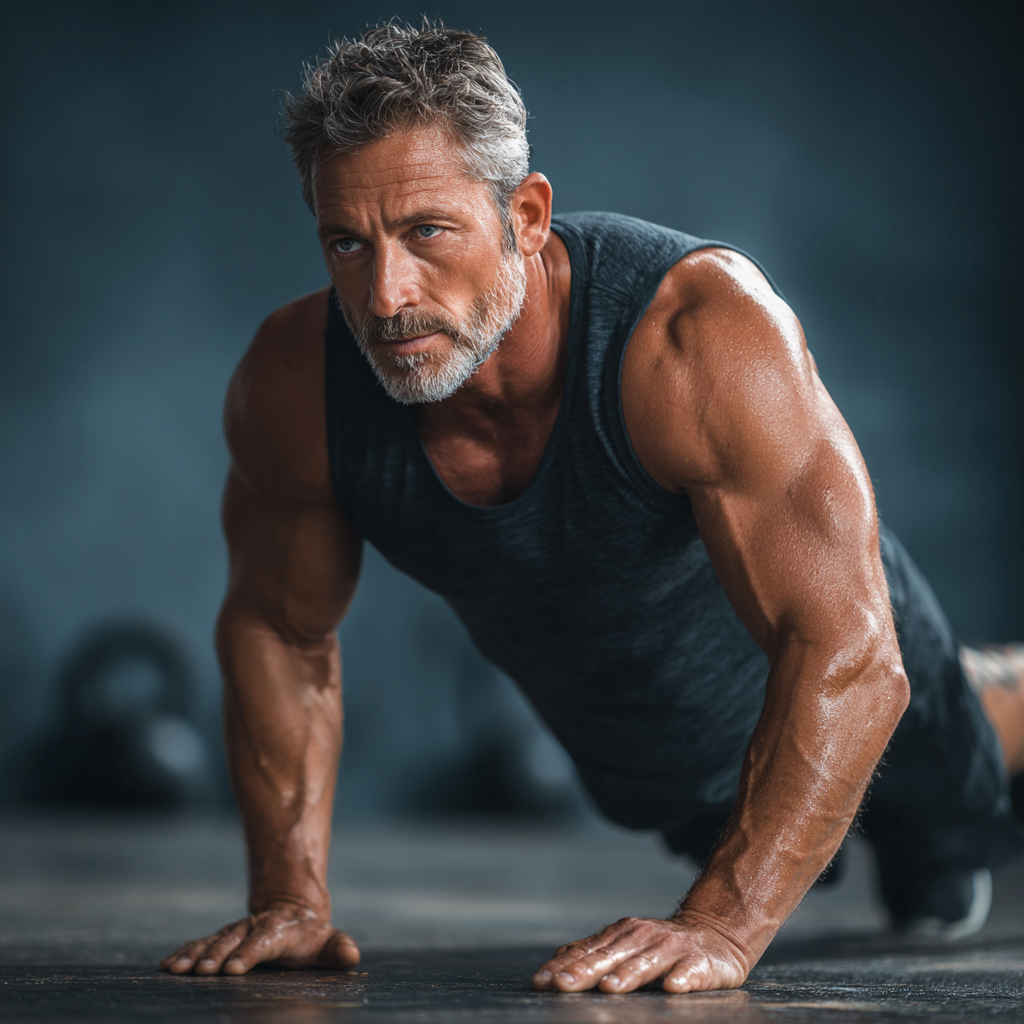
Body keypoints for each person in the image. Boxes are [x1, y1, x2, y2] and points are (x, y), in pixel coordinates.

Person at [160, 22, 1024, 993]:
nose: (387, 293)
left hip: (848, 680)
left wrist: (722, 926)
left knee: (937, 858)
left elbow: (853, 657)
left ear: (526, 216)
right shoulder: (295, 386)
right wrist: (291, 897)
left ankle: (1002, 690)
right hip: (654, 758)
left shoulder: (694, 337)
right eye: (347, 243)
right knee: (771, 841)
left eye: (427, 232)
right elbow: (279, 631)